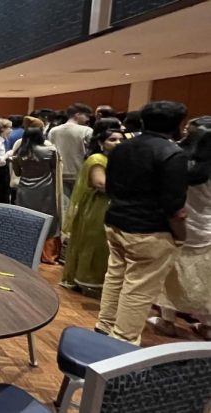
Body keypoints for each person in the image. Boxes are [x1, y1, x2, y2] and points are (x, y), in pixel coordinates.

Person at [95, 101, 189, 345]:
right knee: (139, 287)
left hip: (115, 221)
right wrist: (181, 235)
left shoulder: (122, 148)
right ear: (178, 124)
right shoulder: (173, 154)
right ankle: (123, 341)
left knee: (115, 275)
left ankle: (105, 325)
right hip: (150, 229)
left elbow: (112, 187)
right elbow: (173, 205)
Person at [148, 124, 211, 340]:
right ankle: (207, 325)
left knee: (171, 275)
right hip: (207, 230)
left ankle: (168, 321)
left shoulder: (179, 166)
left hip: (178, 226)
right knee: (205, 278)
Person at [61, 119, 124, 291]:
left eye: (120, 139)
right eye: (112, 139)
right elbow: (100, 184)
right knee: (93, 242)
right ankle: (85, 279)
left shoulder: (115, 159)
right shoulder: (98, 159)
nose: (118, 143)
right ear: (100, 142)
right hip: (97, 207)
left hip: (110, 204)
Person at [13, 127, 63, 263]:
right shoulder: (50, 151)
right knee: (48, 219)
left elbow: (17, 173)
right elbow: (54, 168)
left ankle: (23, 249)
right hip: (45, 189)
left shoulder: (19, 153)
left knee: (25, 218)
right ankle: (47, 255)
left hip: (24, 189)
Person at [48, 103, 93, 212]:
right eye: (86, 116)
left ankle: (63, 228)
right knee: (80, 206)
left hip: (59, 172)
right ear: (77, 115)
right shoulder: (86, 130)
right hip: (79, 171)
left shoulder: (53, 131)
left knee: (63, 207)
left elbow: (50, 150)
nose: (87, 119)